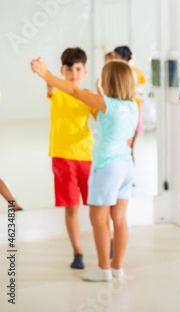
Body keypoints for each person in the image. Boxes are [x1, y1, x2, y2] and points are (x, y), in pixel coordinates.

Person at [31, 57, 138, 281]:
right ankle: (117, 267)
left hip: (107, 168)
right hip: (126, 166)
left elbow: (76, 92)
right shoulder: (131, 106)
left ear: (109, 82)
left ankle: (103, 269)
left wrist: (45, 74)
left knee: (98, 218)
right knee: (119, 219)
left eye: (103, 78)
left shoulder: (108, 104)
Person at [37, 47, 96, 270]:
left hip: (87, 158)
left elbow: (102, 118)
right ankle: (78, 252)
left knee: (97, 206)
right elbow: (50, 83)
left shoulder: (88, 95)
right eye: (69, 69)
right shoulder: (56, 91)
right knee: (71, 208)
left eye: (78, 68)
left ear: (85, 71)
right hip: (62, 158)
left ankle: (106, 241)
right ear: (62, 70)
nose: (74, 73)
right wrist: (43, 71)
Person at [112, 45, 146, 161]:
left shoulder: (120, 72)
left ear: (125, 58)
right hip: (136, 109)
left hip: (126, 110)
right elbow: (142, 84)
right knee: (129, 148)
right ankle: (129, 177)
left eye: (115, 57)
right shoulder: (138, 71)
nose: (113, 60)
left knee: (125, 148)